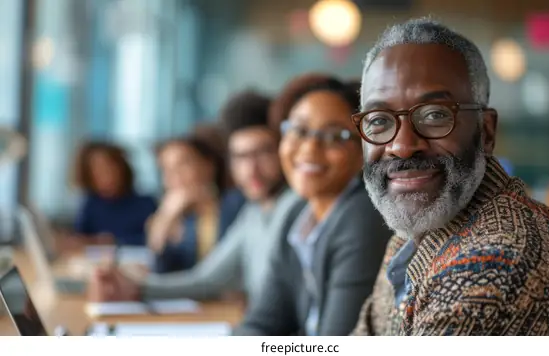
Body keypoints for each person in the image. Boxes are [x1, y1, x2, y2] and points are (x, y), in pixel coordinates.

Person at [351, 17, 549, 336]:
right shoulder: (410, 237)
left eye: (435, 116)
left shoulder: (496, 263)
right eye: (379, 120)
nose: (401, 146)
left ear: (486, 131)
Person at [87, 89, 299, 307]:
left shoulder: (293, 207)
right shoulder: (253, 213)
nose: (251, 170)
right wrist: (134, 289)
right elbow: (206, 280)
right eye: (241, 156)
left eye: (263, 153)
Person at [232, 78, 391, 336]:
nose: (309, 148)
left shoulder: (363, 217)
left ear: (363, 149)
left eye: (334, 136)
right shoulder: (297, 215)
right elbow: (261, 323)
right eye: (299, 130)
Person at [147, 136, 227, 273]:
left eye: (182, 165)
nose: (174, 176)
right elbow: (161, 274)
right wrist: (165, 220)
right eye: (166, 169)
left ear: (209, 166)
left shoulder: (235, 207)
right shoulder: (172, 217)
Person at [72, 141, 157, 246]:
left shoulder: (146, 204)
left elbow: (155, 240)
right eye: (97, 170)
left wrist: (114, 241)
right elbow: (79, 240)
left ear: (122, 168)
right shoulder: (89, 205)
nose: (105, 175)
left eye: (109, 167)